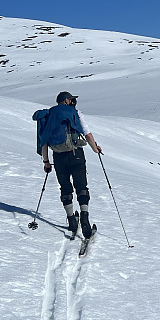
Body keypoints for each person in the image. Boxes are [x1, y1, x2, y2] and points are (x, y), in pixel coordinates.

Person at [36, 91, 103, 238]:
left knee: (65, 188)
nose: (73, 102)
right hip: (76, 154)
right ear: (66, 100)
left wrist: (46, 162)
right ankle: (85, 221)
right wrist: (95, 149)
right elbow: (87, 134)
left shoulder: (49, 115)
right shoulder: (76, 113)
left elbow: (44, 141)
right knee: (81, 187)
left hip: (59, 157)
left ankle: (72, 220)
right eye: (71, 99)